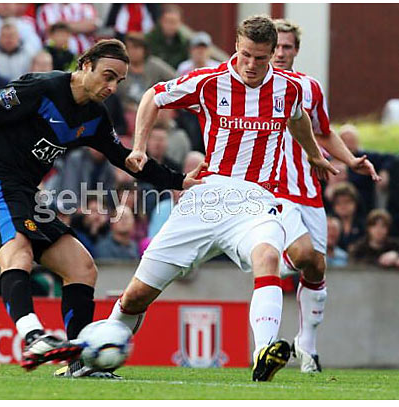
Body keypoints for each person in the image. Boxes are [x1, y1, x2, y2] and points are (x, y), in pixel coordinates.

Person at [0, 39, 204, 377]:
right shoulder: (40, 88)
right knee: (18, 254)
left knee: (82, 268)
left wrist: (179, 180)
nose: (112, 87)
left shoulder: (95, 117)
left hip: (29, 195)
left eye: (118, 81)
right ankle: (33, 337)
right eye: (107, 76)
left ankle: (79, 363)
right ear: (85, 65)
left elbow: (125, 159)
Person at [108, 15, 338, 382]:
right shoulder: (209, 81)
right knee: (136, 295)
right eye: (246, 55)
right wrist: (138, 147)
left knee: (268, 256)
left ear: (272, 55)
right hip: (207, 197)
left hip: (257, 200)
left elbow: (298, 119)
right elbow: (153, 96)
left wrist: (312, 154)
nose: (251, 64)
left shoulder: (289, 88)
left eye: (260, 58)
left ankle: (263, 352)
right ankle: (95, 354)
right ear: (236, 47)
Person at [270, 19, 379, 373]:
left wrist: (351, 160)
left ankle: (307, 346)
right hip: (271, 190)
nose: (280, 53)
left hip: (308, 190)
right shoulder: (251, 85)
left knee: (316, 267)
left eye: (287, 47)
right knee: (300, 255)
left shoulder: (310, 87)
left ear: (296, 50)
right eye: (275, 46)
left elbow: (325, 132)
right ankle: (270, 262)